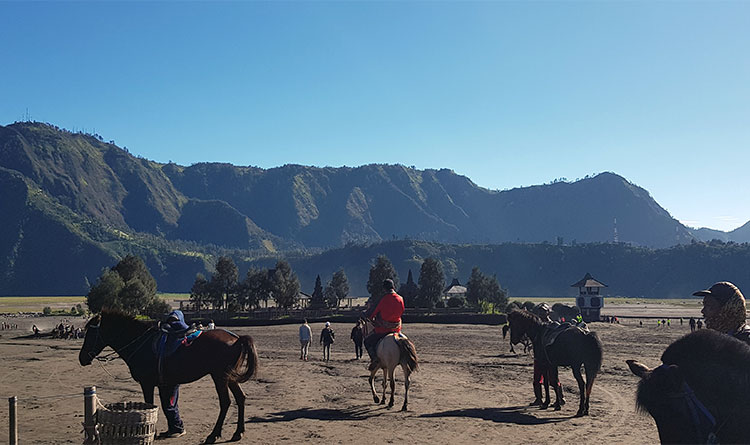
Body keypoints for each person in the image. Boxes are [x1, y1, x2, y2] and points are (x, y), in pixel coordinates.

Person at [156, 310, 189, 438]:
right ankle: (174, 427)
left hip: (170, 377)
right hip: (169, 376)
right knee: (169, 403)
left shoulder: (170, 339)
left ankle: (177, 427)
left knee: (169, 403)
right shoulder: (172, 337)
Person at [363, 279, 405, 371]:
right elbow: (401, 312)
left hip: (383, 330)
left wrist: (368, 316)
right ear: (393, 287)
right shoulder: (401, 299)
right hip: (397, 329)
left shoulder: (383, 299)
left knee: (367, 341)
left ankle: (374, 359)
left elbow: (372, 314)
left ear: (384, 289)